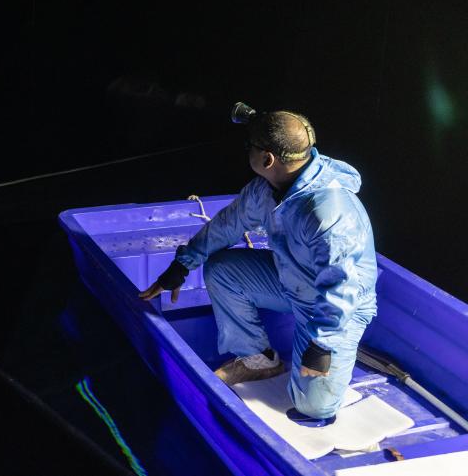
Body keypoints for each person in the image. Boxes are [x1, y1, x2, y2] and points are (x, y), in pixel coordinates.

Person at [138, 105, 378, 420]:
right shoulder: (266, 189)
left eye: (249, 146)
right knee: (222, 269)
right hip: (291, 281)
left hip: (336, 308)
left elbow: (342, 285)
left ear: (268, 159)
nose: (246, 152)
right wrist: (182, 265)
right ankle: (259, 359)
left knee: (314, 407)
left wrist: (321, 345)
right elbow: (227, 225)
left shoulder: (328, 212)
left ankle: (328, 360)